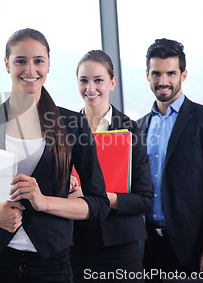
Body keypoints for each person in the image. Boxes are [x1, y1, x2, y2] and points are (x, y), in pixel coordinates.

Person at [0, 28, 110, 283]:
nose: (30, 70)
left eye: (38, 61)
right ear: (7, 64)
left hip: (50, 267)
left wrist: (44, 202)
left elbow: (98, 204)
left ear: (49, 65)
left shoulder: (73, 125)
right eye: (20, 61)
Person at [137, 38, 203, 280]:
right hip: (147, 247)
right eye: (156, 73)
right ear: (147, 75)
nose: (163, 81)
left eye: (171, 73)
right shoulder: (138, 127)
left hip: (195, 247)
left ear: (183, 74)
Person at [69, 50, 153, 282]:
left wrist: (101, 197)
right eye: (84, 80)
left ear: (112, 82)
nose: (90, 88)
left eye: (98, 80)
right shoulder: (65, 130)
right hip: (74, 245)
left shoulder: (130, 130)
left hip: (119, 246)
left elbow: (145, 199)